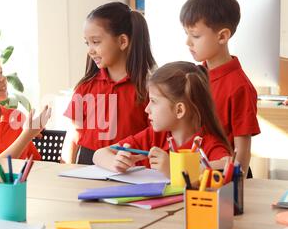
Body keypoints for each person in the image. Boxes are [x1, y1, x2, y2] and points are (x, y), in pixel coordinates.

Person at [93, 61, 231, 178]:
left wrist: (175, 169)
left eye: (153, 101)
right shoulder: (154, 136)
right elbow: (99, 154)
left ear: (179, 110)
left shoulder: (208, 144)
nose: (147, 109)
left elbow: (229, 165)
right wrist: (117, 162)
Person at [62, 1, 156, 165]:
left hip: (129, 169)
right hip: (86, 166)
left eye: (96, 42)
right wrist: (66, 170)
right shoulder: (85, 87)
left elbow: (157, 137)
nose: (90, 50)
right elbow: (73, 136)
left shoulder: (149, 88)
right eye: (87, 43)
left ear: (122, 42)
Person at [180, 0, 260, 178]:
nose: (188, 42)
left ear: (222, 36)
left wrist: (235, 189)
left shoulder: (239, 87)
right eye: (186, 34)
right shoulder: (195, 76)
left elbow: (242, 153)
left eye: (195, 36)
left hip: (225, 177)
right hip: (196, 173)